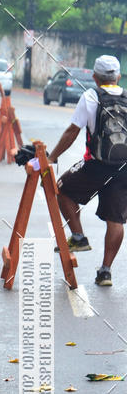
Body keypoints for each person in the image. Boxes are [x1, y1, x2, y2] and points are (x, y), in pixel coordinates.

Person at [39, 55, 127, 286]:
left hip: (97, 165)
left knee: (62, 188)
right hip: (123, 169)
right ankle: (105, 272)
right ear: (118, 76)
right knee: (115, 219)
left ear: (95, 77)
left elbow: (72, 132)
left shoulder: (91, 96)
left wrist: (52, 156)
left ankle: (78, 236)